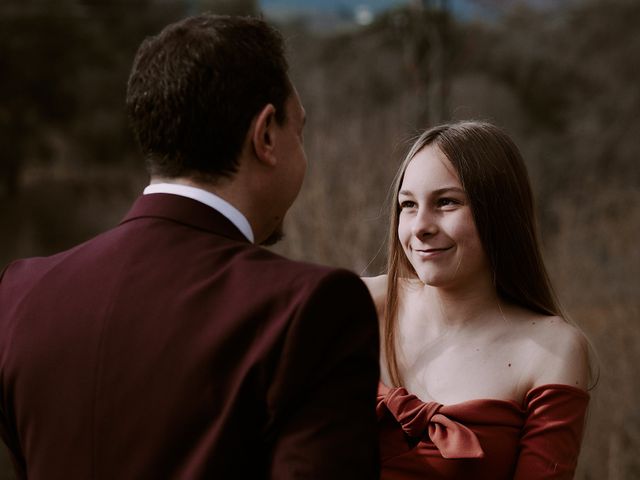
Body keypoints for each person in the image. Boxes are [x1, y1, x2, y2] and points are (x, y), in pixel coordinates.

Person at [0, 15, 380, 479]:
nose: (303, 153)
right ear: (265, 136)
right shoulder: (310, 309)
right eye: (298, 132)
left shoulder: (21, 294)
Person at [363, 121, 591, 479]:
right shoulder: (365, 304)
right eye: (408, 205)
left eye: (446, 202)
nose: (420, 225)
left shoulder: (552, 349)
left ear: (499, 213)